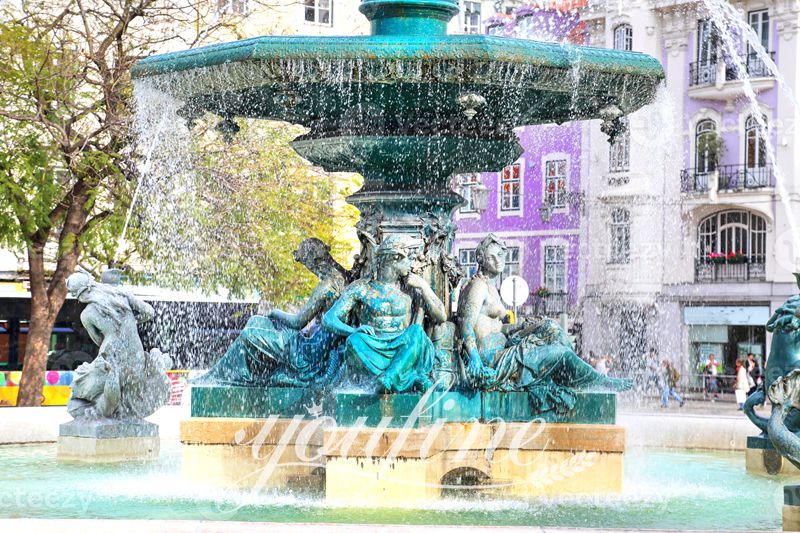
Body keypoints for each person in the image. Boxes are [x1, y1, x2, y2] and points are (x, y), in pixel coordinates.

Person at [457, 234, 631, 415]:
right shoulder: (477, 286)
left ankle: (581, 379)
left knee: (550, 326)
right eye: (492, 257)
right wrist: (475, 358)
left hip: (504, 347)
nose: (498, 261)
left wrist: (526, 326)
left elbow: (497, 326)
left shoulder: (491, 287)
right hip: (493, 358)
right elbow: (465, 325)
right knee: (560, 352)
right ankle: (597, 381)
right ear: (481, 258)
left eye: (501, 256)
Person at [194, 238, 347, 387]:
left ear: (314, 262)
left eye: (307, 265)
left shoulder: (327, 286)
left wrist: (275, 312)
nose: (309, 269)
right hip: (315, 341)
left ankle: (221, 378)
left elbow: (298, 322)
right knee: (256, 320)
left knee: (249, 334)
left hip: (310, 351)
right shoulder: (339, 278)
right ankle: (244, 374)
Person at [322, 234, 447, 393]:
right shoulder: (361, 287)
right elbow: (329, 319)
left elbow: (442, 316)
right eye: (408, 258)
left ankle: (389, 378)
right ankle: (405, 380)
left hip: (404, 348)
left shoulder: (410, 286)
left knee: (416, 332)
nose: (411, 264)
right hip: (373, 346)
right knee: (354, 340)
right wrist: (352, 331)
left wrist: (423, 287)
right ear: (394, 258)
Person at [65, 269, 171, 419]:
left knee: (82, 384)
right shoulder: (122, 295)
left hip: (110, 356)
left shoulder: (87, 315)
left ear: (78, 295)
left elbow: (98, 340)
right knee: (131, 384)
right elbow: (149, 312)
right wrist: (131, 324)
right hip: (136, 355)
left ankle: (99, 414)